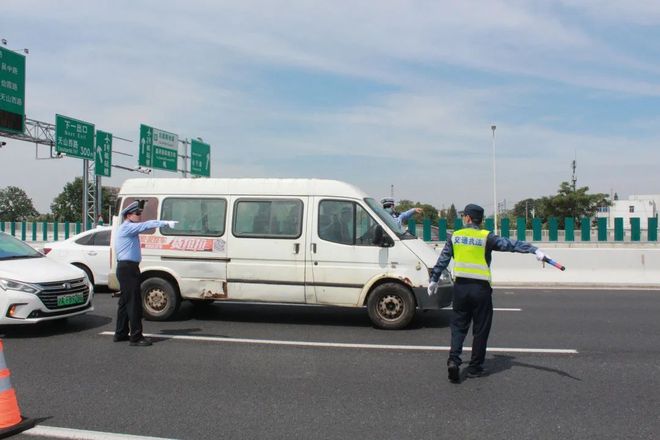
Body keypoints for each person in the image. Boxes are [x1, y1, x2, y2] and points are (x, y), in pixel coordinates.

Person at [427, 203, 550, 383]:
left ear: (468, 218)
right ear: (480, 219)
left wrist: (434, 279)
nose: (463, 218)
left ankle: (454, 360)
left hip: (461, 288)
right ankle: (475, 368)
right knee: (480, 329)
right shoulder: (487, 237)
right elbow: (510, 245)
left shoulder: (456, 236)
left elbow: (443, 259)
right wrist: (533, 250)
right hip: (480, 290)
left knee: (458, 327)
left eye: (464, 216)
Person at [113, 201, 177, 347]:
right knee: (134, 303)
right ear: (129, 215)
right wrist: (165, 223)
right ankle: (136, 337)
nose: (139, 216)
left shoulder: (128, 228)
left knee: (124, 302)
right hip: (128, 269)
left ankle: (120, 333)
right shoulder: (128, 227)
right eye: (137, 214)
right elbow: (147, 225)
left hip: (127, 268)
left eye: (140, 213)